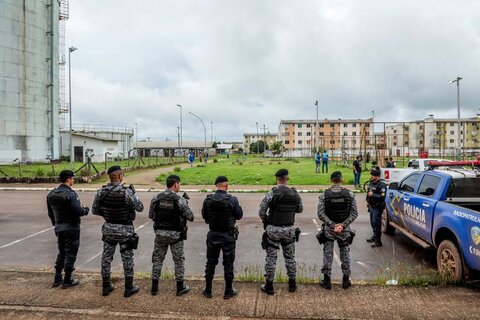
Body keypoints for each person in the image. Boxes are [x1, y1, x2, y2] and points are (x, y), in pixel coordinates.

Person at [92, 166, 144, 297]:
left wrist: (108, 214)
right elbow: (140, 208)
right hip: (125, 231)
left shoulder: (101, 192)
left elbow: (95, 210)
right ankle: (128, 288)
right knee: (127, 259)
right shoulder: (126, 192)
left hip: (109, 229)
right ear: (120, 176)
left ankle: (106, 287)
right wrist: (134, 194)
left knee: (106, 258)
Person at [259, 169, 303, 295]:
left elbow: (262, 211)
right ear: (287, 178)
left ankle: (269, 286)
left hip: (274, 229)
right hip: (289, 230)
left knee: (271, 258)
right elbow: (300, 209)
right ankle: (292, 284)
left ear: (277, 179)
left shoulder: (271, 193)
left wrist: (267, 220)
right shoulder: (295, 193)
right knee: (290, 257)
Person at [149, 175, 194, 296]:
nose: (179, 186)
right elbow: (191, 217)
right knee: (178, 261)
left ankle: (154, 287)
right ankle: (180, 288)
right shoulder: (180, 200)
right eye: (179, 184)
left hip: (159, 235)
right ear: (175, 185)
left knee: (157, 259)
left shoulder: (156, 198)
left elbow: (150, 215)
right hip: (176, 236)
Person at [202, 176, 243, 299]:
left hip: (213, 234)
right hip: (227, 236)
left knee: (210, 262)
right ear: (226, 186)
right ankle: (228, 291)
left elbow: (205, 217)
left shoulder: (207, 200)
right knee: (228, 264)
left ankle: (208, 290)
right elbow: (239, 215)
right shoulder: (232, 200)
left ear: (216, 186)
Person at [47, 170, 89, 289]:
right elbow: (78, 211)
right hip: (71, 227)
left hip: (59, 227)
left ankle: (57, 277)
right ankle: (67, 280)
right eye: (72, 178)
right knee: (71, 254)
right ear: (68, 179)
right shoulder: (71, 194)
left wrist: (56, 225)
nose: (73, 180)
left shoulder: (51, 194)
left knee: (62, 252)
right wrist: (85, 210)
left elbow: (50, 213)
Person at [317, 171, 358, 290]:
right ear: (342, 179)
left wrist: (332, 224)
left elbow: (320, 213)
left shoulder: (325, 194)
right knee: (345, 254)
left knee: (328, 254)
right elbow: (354, 213)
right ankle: (346, 281)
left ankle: (327, 281)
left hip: (329, 230)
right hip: (344, 230)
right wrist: (343, 225)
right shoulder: (349, 194)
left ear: (331, 180)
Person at [366, 169, 387, 248]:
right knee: (372, 223)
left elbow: (382, 197)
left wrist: (373, 195)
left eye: (373, 175)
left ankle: (378, 242)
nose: (371, 176)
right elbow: (368, 192)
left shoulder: (382, 185)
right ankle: (374, 237)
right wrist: (368, 201)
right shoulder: (371, 183)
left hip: (377, 207)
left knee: (376, 224)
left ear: (377, 176)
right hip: (371, 206)